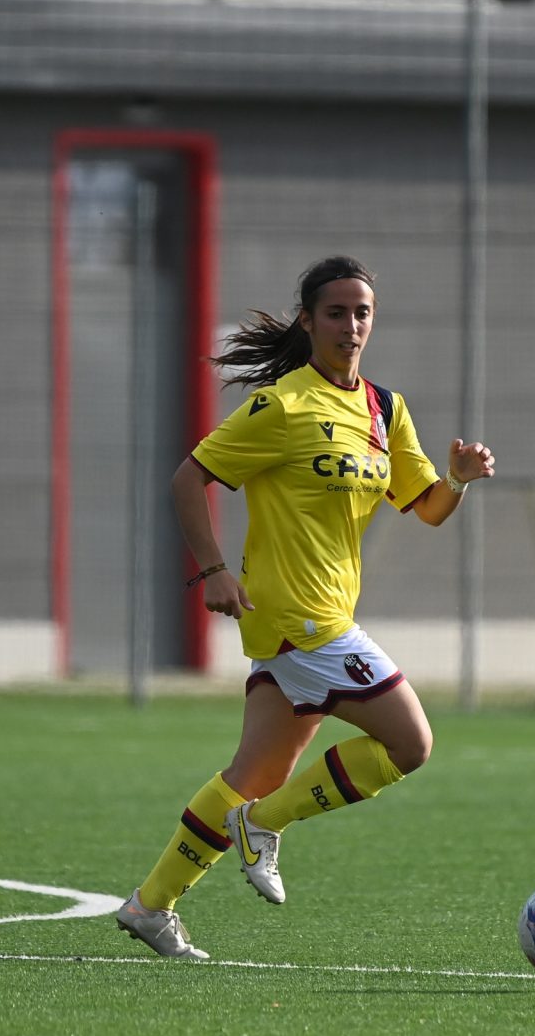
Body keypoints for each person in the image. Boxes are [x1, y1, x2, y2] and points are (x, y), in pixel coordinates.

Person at [115, 255, 496, 959]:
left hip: (319, 618)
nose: (351, 326)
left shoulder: (385, 409)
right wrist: (214, 571)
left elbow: (427, 508)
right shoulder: (281, 405)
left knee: (251, 773)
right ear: (308, 320)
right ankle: (264, 825)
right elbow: (187, 478)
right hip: (300, 618)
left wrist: (459, 480)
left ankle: (150, 905)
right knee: (410, 743)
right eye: (336, 312)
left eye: (363, 312)